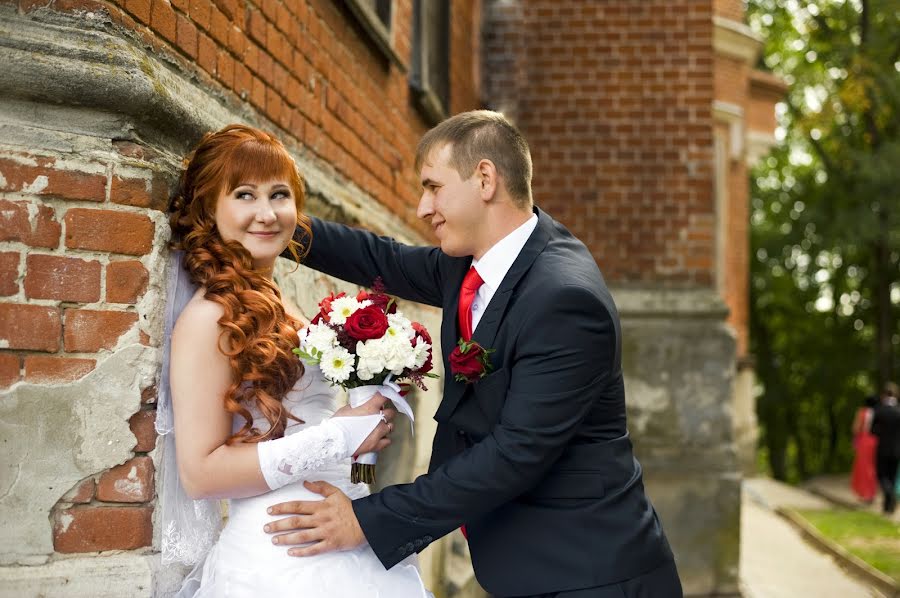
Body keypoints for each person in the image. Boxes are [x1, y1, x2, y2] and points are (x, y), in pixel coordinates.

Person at [267, 110, 682, 597]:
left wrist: (365, 520)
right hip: (524, 564)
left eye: (433, 187)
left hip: (590, 573)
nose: (423, 207)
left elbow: (516, 453)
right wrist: (274, 224)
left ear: (484, 179)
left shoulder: (565, 299)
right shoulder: (469, 262)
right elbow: (381, 258)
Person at [162, 124, 432, 597]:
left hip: (342, 531)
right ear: (210, 207)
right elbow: (201, 475)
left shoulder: (279, 303)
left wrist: (361, 447)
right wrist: (338, 435)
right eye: (244, 195)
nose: (266, 214)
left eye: (279, 195)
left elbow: (324, 436)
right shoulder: (208, 318)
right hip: (280, 555)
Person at [871, 382, 900, 514]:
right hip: (896, 449)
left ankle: (889, 496)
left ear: (883, 395)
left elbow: (873, 431)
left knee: (882, 476)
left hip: (882, 449)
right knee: (892, 477)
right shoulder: (898, 410)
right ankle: (888, 506)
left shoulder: (879, 410)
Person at [849, 395, 879, 502]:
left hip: (864, 440)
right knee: (873, 467)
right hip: (876, 441)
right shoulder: (878, 412)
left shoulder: (862, 412)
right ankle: (871, 493)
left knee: (863, 467)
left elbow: (855, 428)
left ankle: (864, 493)